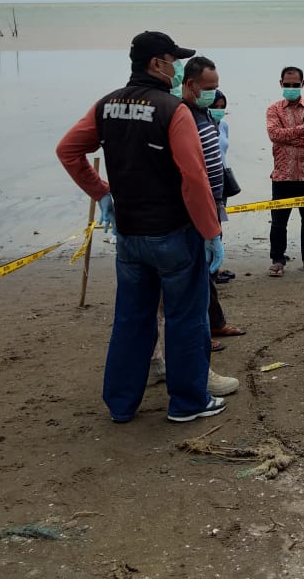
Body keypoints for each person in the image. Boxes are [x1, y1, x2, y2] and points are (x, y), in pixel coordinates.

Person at [56, 30, 227, 424]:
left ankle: (121, 403)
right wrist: (211, 232)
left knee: (132, 319)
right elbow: (194, 177)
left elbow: (68, 150)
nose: (178, 66)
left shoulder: (106, 105)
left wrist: (100, 193)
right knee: (187, 319)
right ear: (157, 63)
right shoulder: (173, 109)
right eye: (174, 59)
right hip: (174, 235)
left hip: (129, 236)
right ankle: (188, 402)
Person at [179, 59, 245, 345]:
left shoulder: (205, 113)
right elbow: (192, 172)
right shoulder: (183, 116)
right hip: (196, 208)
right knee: (196, 274)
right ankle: (203, 332)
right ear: (190, 84)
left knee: (207, 271)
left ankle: (214, 324)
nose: (213, 93)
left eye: (217, 87)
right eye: (209, 88)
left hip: (215, 203)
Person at [265, 65, 304, 276]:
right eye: (287, 84)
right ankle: (277, 260)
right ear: (280, 84)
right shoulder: (274, 109)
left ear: (302, 84)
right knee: (278, 221)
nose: (291, 88)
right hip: (282, 174)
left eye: (295, 84)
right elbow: (275, 135)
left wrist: (291, 137)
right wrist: (303, 128)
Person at [209, 90, 237, 285]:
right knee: (206, 225)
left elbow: (223, 152)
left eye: (222, 107)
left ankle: (215, 268)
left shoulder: (224, 126)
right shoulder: (199, 125)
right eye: (215, 107)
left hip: (221, 182)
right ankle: (207, 268)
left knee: (218, 224)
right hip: (205, 181)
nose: (219, 111)